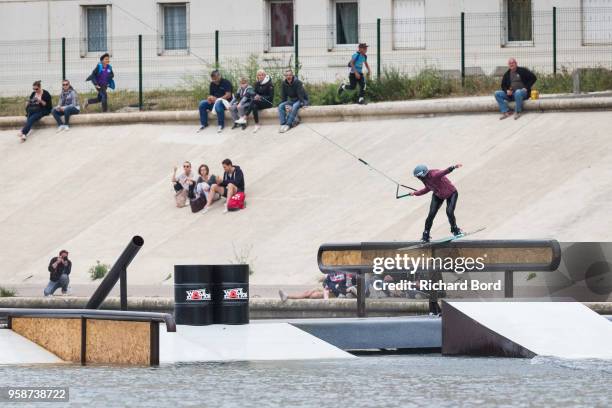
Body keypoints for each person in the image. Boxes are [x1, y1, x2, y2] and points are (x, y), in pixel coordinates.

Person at [408, 164, 464, 242]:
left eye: (419, 176)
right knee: (431, 214)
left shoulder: (434, 174)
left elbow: (444, 172)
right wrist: (415, 193)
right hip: (438, 195)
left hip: (451, 193)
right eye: (417, 177)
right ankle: (426, 235)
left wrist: (454, 167)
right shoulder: (424, 179)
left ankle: (455, 230)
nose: (419, 178)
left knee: (449, 212)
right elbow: (427, 189)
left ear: (424, 173)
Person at [278, 68, 308, 133]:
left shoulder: (297, 82)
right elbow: (284, 96)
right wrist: (285, 105)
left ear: (292, 75)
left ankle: (288, 124)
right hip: (293, 100)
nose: (288, 77)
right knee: (280, 106)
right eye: (287, 75)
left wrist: (303, 104)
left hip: (302, 100)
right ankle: (283, 124)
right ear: (285, 76)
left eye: (290, 75)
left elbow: (300, 95)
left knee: (294, 106)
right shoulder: (284, 84)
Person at [248, 69, 274, 133]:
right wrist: (255, 96)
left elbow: (270, 97)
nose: (260, 76)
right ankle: (257, 124)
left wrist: (260, 97)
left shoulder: (269, 84)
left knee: (254, 101)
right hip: (258, 102)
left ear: (265, 76)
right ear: (257, 76)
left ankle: (245, 116)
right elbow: (254, 93)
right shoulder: (256, 84)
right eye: (259, 75)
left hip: (268, 103)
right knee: (254, 106)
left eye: (262, 75)